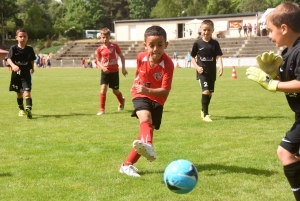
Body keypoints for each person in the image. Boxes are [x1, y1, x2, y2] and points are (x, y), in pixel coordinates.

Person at [246, 2, 300, 200]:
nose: (269, 36)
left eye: (270, 30)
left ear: (284, 28)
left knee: (285, 153)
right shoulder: (286, 53)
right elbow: (288, 80)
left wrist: (272, 84)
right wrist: (272, 74)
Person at [119, 25, 174, 177]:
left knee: (145, 133)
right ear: (145, 45)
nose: (155, 49)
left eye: (160, 45)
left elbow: (165, 90)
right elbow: (138, 72)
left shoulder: (168, 64)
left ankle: (126, 165)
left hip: (158, 99)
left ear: (166, 45)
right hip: (139, 94)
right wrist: (139, 87)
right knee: (145, 118)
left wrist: (147, 90)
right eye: (151, 45)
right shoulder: (140, 57)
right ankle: (148, 144)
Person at [190, 19, 223, 122]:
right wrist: (197, 67)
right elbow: (192, 57)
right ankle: (205, 114)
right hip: (202, 72)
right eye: (204, 30)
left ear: (212, 30)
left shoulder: (215, 43)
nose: (206, 32)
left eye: (208, 30)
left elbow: (218, 56)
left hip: (212, 72)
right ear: (201, 29)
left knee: (209, 93)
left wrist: (221, 66)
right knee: (206, 91)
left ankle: (203, 109)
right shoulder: (197, 43)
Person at [96, 27, 127, 115]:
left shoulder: (115, 46)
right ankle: (102, 109)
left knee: (115, 90)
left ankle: (121, 100)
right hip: (104, 71)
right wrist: (103, 68)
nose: (105, 39)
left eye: (106, 37)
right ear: (100, 38)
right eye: (103, 37)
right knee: (103, 88)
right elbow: (98, 60)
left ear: (110, 37)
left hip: (114, 71)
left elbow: (122, 56)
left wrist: (123, 68)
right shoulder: (99, 49)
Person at [7, 28, 36, 119]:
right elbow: (8, 59)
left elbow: (32, 60)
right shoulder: (13, 48)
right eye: (20, 36)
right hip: (16, 74)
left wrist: (32, 68)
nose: (22, 38)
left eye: (24, 36)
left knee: (27, 92)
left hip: (26, 73)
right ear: (16, 37)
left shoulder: (30, 49)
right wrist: (13, 66)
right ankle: (21, 108)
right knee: (19, 93)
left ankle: (28, 109)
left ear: (27, 38)